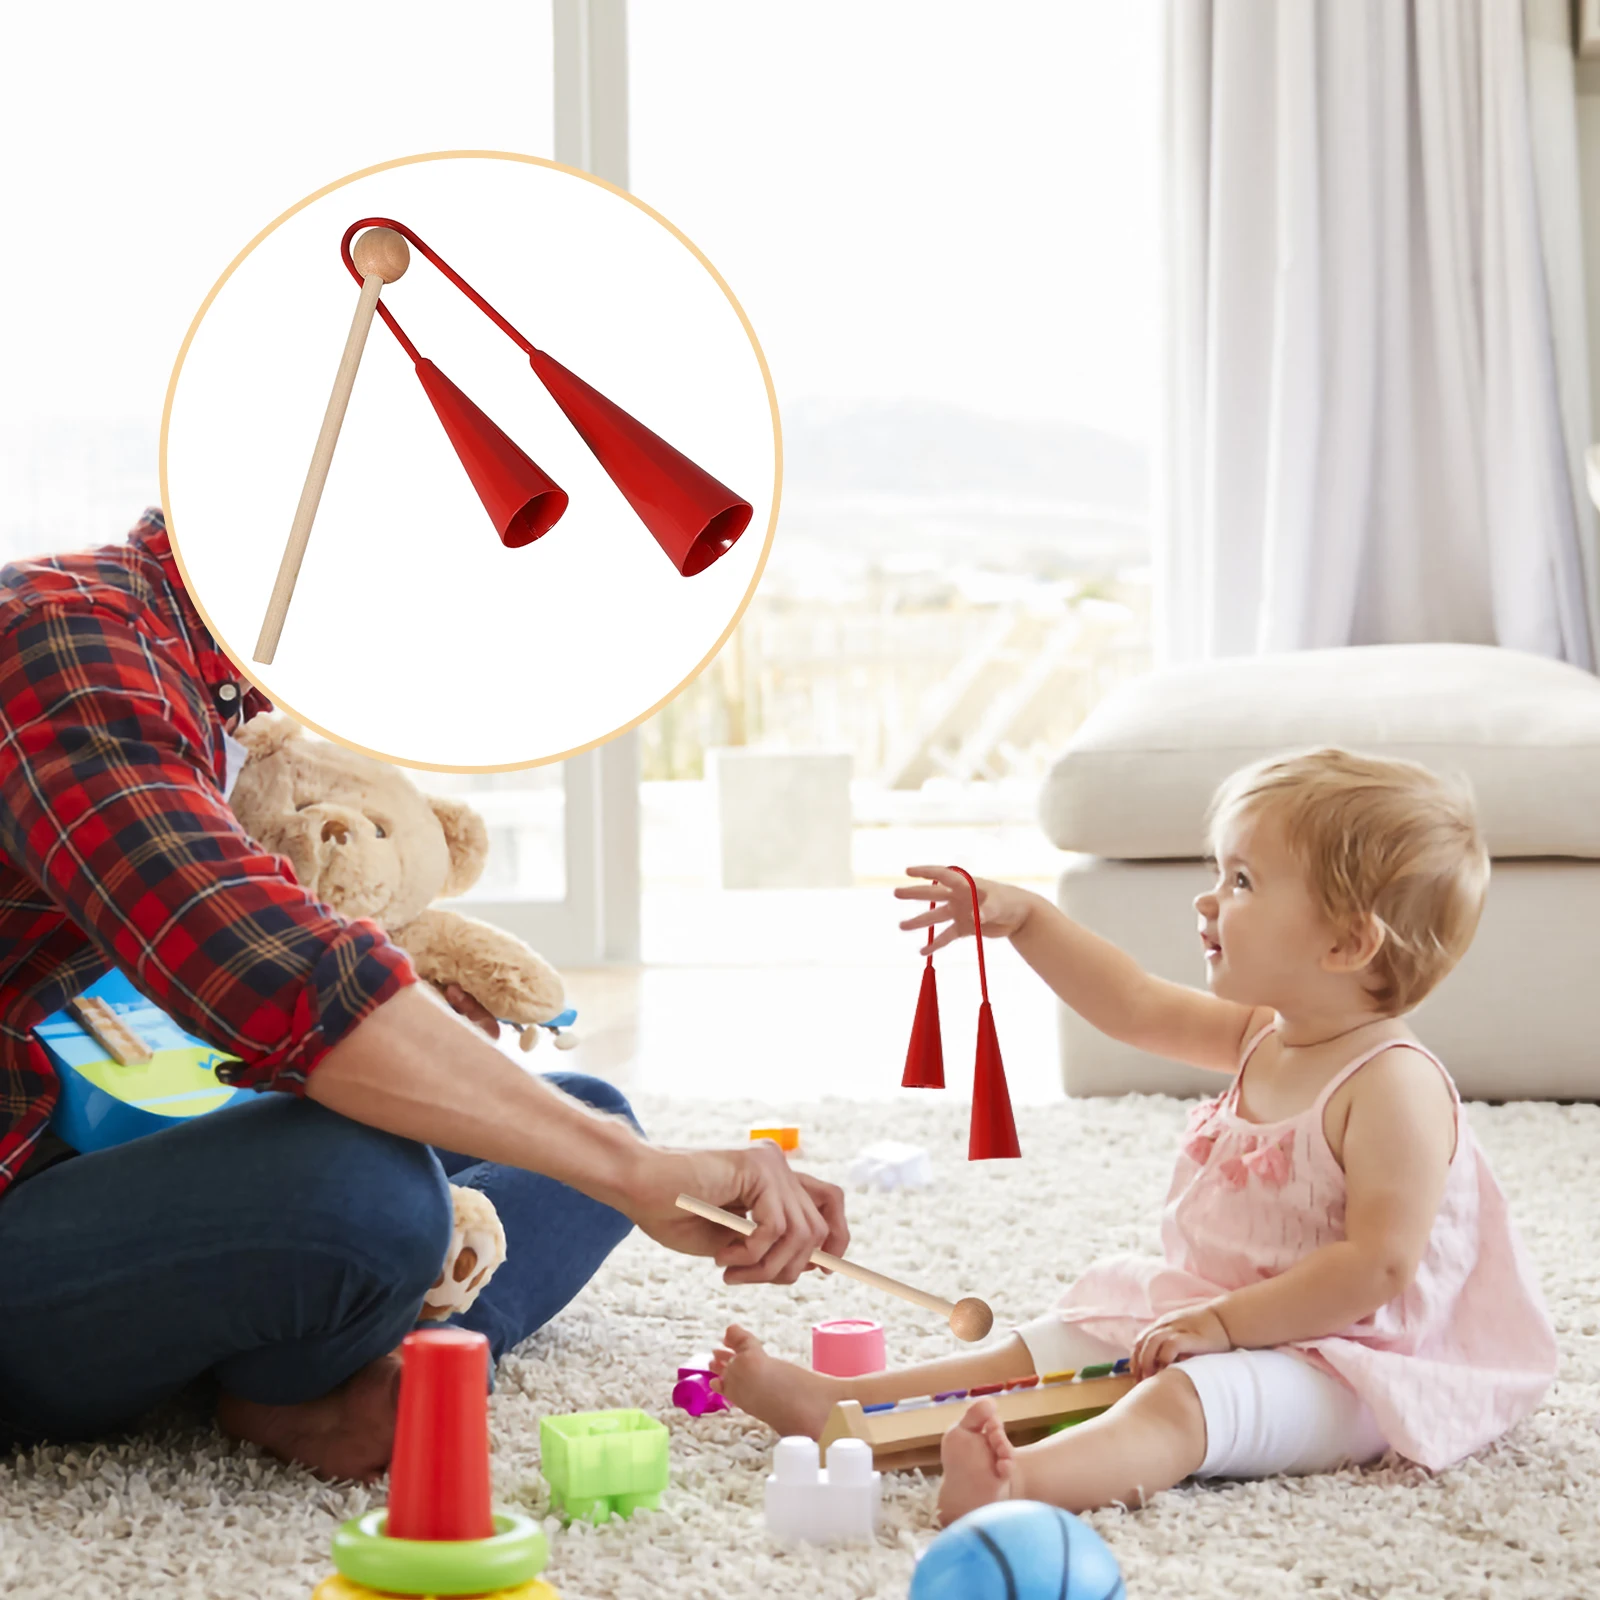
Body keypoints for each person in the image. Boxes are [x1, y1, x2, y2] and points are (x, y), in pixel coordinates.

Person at [0, 508, 847, 1482]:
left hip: (56, 1138)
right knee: (370, 1193)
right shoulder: (70, 643)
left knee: (583, 1114)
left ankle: (365, 1364)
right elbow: (269, 974)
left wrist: (458, 1056)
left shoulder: (203, 679)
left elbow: (170, 938)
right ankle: (302, 1379)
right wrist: (629, 1172)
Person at [710, 748, 1558, 1524]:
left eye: (1243, 882)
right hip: (1218, 1313)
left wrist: (1224, 1328)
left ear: (1346, 942)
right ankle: (846, 1407)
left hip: (1356, 1363)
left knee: (1184, 1403)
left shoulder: (1392, 1086)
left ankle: (1021, 1484)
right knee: (1055, 1341)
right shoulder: (1265, 1031)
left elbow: (1375, 1268)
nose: (1208, 899)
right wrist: (1028, 920)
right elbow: (1134, 1004)